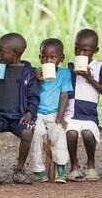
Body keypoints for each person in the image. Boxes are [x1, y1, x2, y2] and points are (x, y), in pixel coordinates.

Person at [0, 32, 39, 185]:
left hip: (18, 117)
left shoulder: (28, 73)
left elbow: (34, 96)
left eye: (2, 51)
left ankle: (19, 170)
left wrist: (30, 112)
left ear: (14, 53)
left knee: (28, 132)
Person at [65, 29, 102, 182]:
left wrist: (89, 78)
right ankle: (74, 165)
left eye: (85, 50)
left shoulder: (100, 67)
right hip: (71, 113)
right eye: (77, 48)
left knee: (88, 134)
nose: (80, 53)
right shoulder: (70, 65)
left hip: (89, 114)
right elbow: (66, 88)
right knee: (70, 133)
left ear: (95, 50)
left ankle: (91, 165)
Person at [30, 38, 72, 183]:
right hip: (37, 114)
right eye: (44, 57)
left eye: (53, 57)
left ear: (61, 58)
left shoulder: (65, 74)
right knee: (36, 133)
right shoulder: (35, 74)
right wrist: (36, 80)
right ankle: (38, 170)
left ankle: (61, 167)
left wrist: (60, 117)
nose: (48, 61)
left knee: (59, 132)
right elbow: (29, 94)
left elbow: (64, 95)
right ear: (40, 57)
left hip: (54, 113)